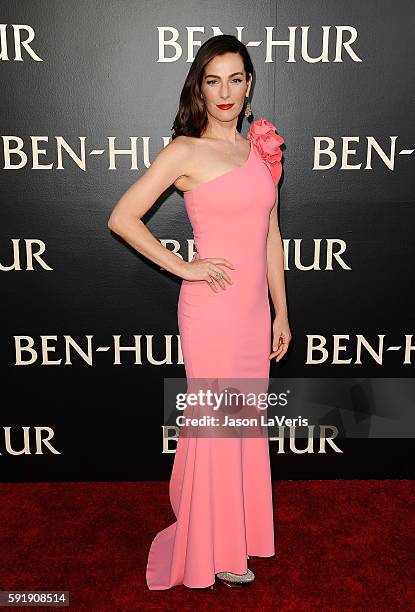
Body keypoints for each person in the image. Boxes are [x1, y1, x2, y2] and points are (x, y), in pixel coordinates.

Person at [107, 34, 292, 590]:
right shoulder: (185, 151)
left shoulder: (258, 149)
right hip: (210, 310)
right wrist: (183, 266)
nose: (225, 91)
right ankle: (216, 549)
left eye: (236, 79)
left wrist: (281, 310)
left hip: (253, 312)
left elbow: (271, 236)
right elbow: (123, 217)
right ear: (199, 87)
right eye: (213, 80)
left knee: (243, 423)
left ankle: (241, 534)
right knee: (216, 423)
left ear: (250, 84)